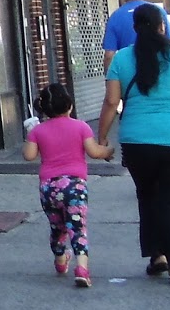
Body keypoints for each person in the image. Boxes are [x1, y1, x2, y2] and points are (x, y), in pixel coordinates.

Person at [97, 3, 170, 285]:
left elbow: (112, 102)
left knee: (147, 195)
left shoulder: (122, 59)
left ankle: (157, 255)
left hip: (137, 139)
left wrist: (101, 137)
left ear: (135, 29)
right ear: (163, 26)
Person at [23, 83, 115, 288]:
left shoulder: (38, 131)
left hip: (49, 188)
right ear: (70, 105)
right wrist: (108, 151)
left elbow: (29, 156)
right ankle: (82, 268)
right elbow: (94, 152)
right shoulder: (81, 126)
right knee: (77, 227)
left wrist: (31, 134)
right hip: (75, 186)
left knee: (57, 228)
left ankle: (60, 258)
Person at [101, 0, 170, 66]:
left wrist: (110, 78)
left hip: (129, 73)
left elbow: (109, 55)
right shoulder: (157, 11)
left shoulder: (115, 17)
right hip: (159, 69)